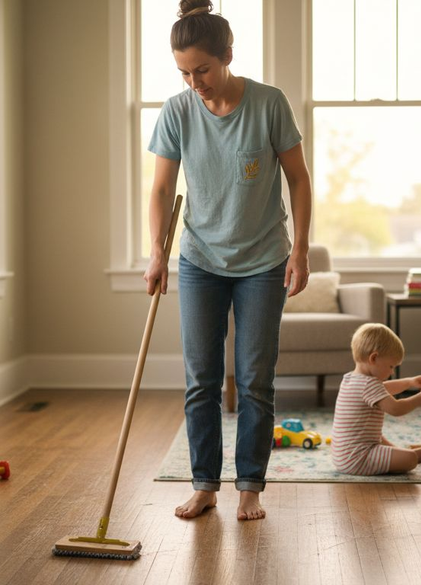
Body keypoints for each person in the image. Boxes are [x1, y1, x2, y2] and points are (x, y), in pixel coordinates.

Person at [143, 0, 311, 521]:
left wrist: (301, 250)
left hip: (263, 260)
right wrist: (156, 252)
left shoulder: (268, 103)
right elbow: (162, 188)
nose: (195, 82)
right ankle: (205, 485)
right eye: (184, 73)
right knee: (202, 379)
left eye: (203, 70)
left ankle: (251, 489)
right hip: (198, 259)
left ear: (228, 56)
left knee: (255, 377)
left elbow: (299, 180)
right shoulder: (177, 110)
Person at [331, 324, 421, 476]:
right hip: (359, 458)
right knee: (410, 459)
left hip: (343, 457)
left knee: (382, 440)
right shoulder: (369, 385)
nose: (392, 372)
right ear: (374, 358)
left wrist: (409, 382)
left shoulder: (351, 378)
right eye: (391, 366)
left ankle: (410, 453)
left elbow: (384, 389)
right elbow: (396, 409)